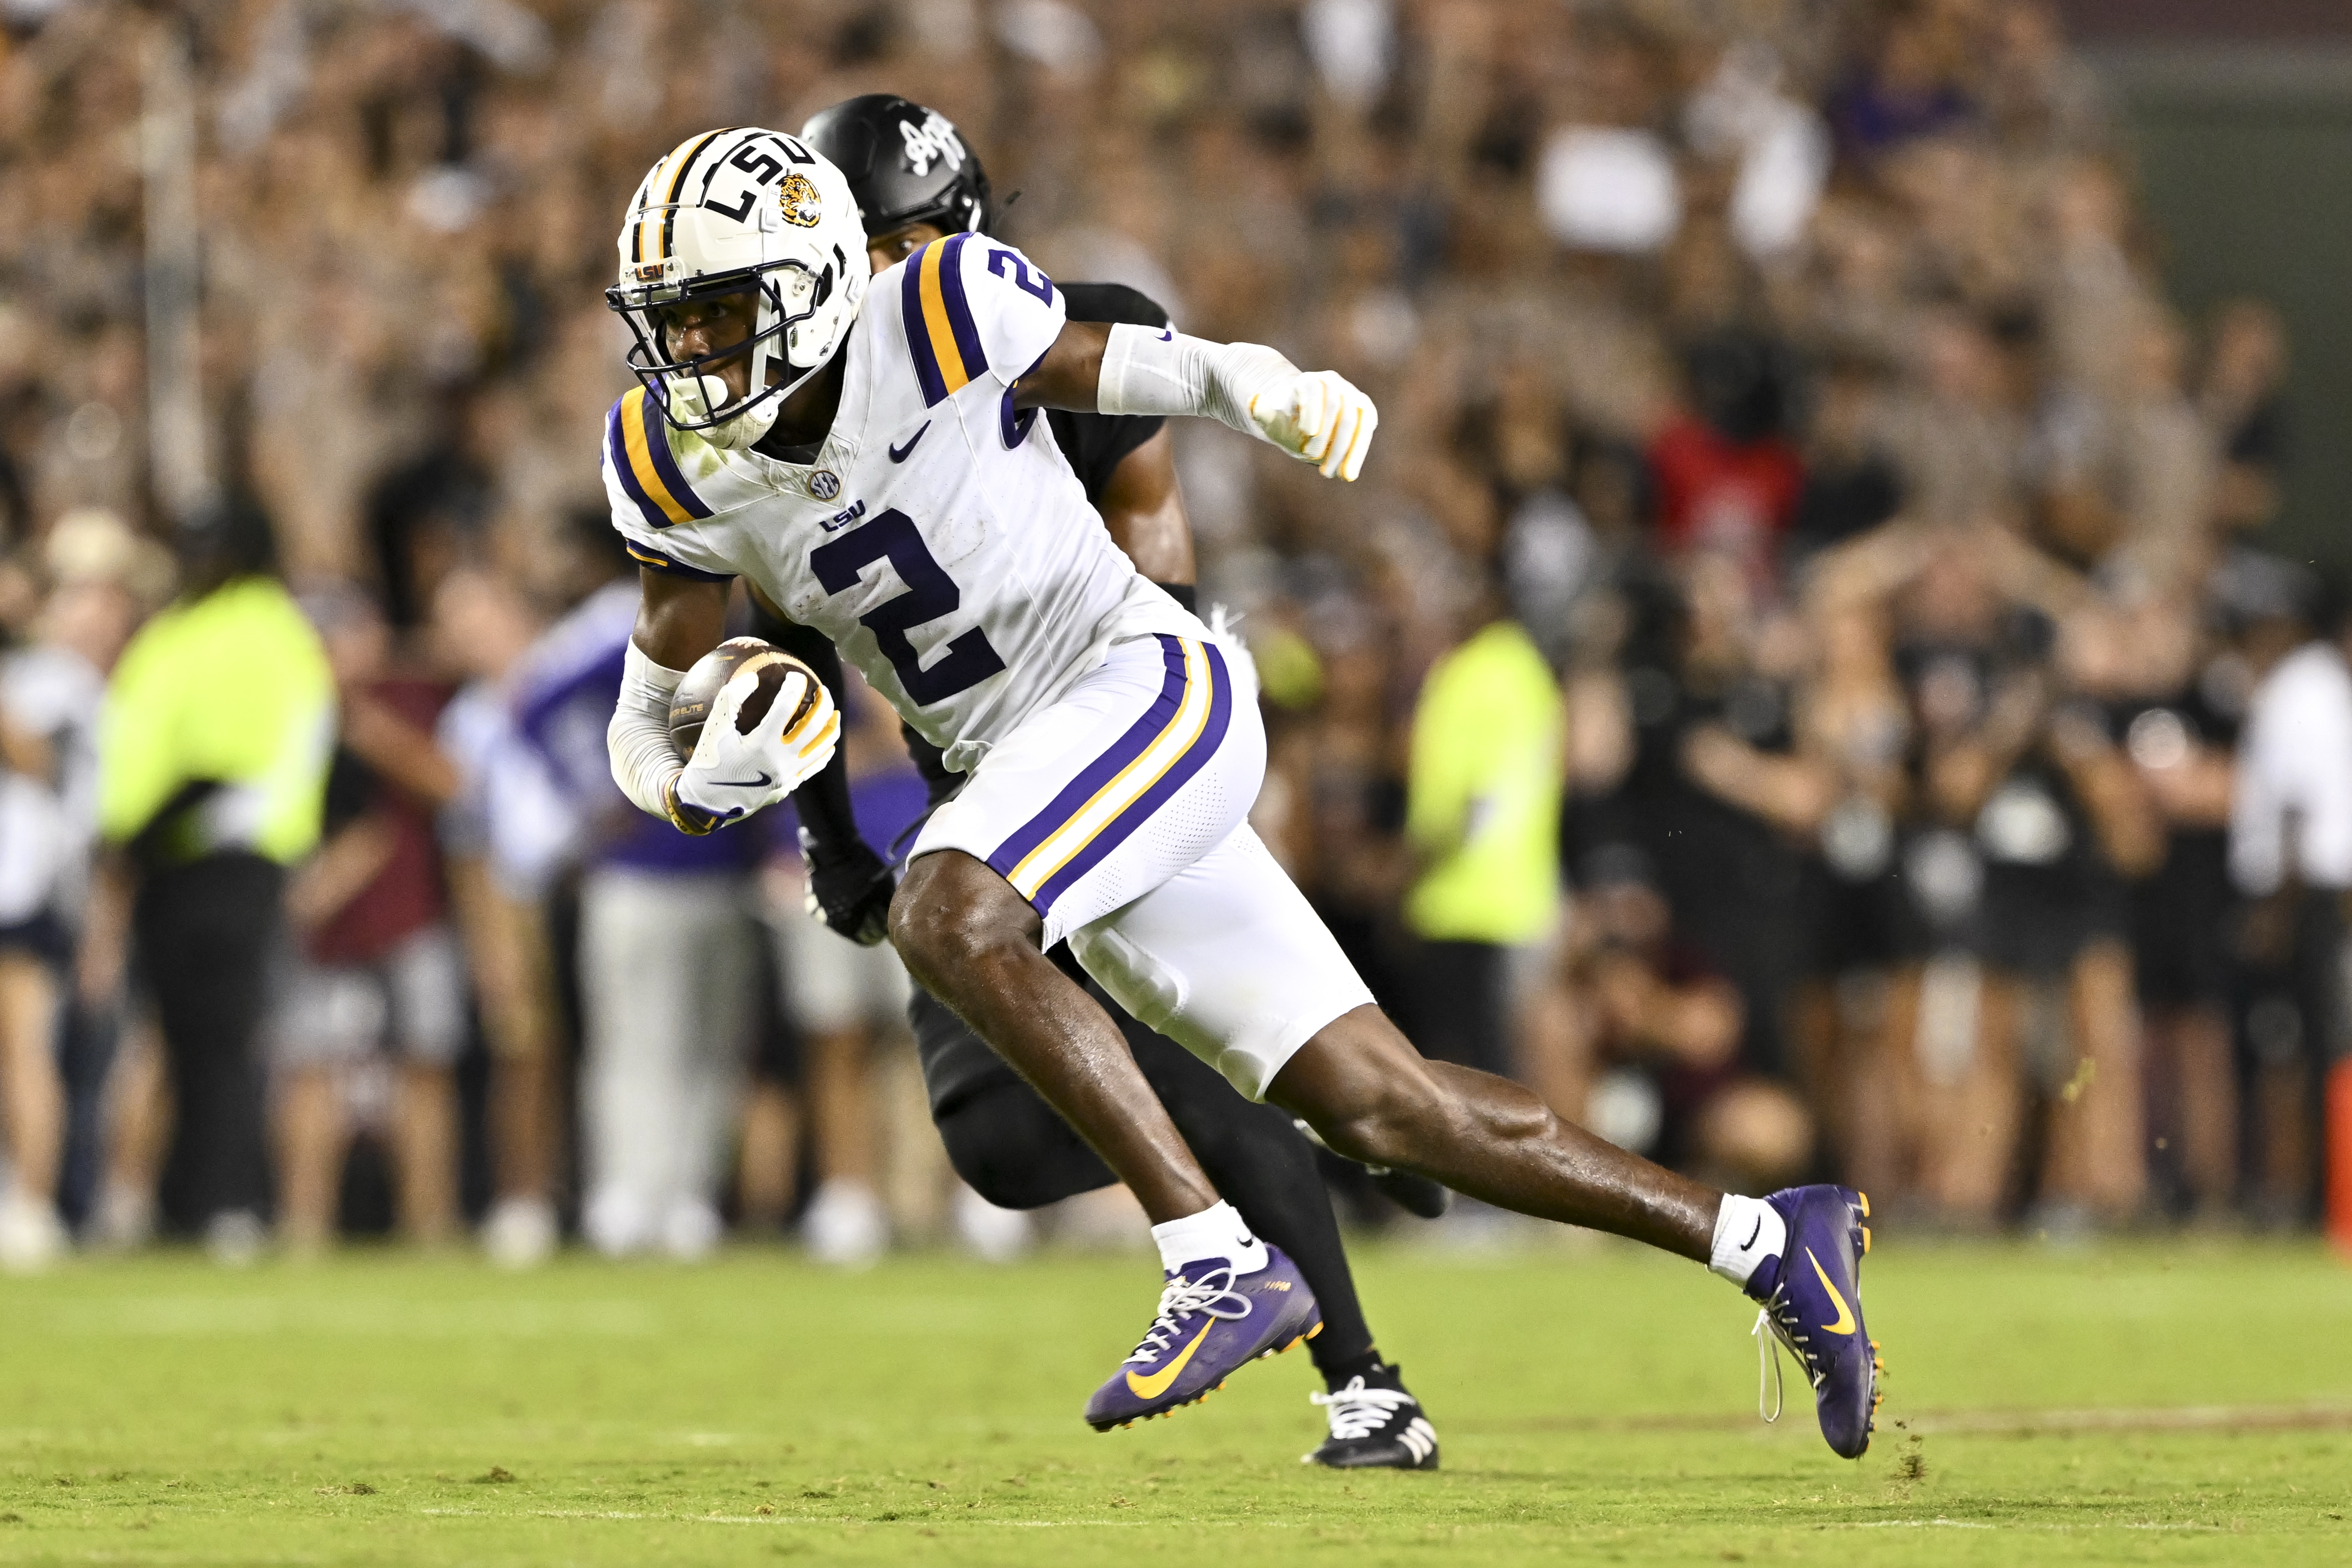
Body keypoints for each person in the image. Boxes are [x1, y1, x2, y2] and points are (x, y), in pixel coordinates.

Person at [597, 128, 1878, 1458]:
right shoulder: (670, 460)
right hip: (1035, 772)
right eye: (668, 325)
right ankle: (1766, 1239)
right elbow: (643, 722)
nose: (688, 355)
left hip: (1137, 683)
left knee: (947, 907)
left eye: (715, 316)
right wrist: (696, 790)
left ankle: (1212, 1259)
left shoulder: (928, 306)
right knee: (1384, 1106)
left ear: (809, 279)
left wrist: (1264, 389)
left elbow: (1128, 364)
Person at [795, 93, 1441, 1465]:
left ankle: (1361, 1377)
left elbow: (1153, 527)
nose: (873, 274)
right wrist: (827, 831)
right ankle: (1344, 1111)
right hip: (959, 785)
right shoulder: (801, 391)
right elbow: (789, 617)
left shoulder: (1038, 327)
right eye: (851, 245)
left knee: (1202, 1064)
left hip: (1105, 736)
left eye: (897, 241)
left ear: (953, 234)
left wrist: (1149, 741)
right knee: (996, 1143)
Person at [84, 498, 334, 1259]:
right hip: (162, 857)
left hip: (225, 855)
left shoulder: (264, 629)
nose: (198, 559)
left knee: (223, 1038)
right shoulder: (179, 629)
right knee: (180, 1036)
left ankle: (227, 1200)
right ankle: (187, 1201)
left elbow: (264, 756)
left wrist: (172, 819)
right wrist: (130, 834)